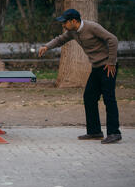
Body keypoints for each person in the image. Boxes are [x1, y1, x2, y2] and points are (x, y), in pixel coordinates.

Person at [38, 9, 121, 144]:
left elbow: (113, 39)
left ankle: (114, 133)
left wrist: (111, 62)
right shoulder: (72, 32)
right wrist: (46, 46)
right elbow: (60, 40)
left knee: (109, 98)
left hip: (107, 67)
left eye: (65, 22)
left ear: (74, 21)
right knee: (89, 97)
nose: (63, 25)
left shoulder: (92, 27)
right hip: (96, 67)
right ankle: (95, 131)